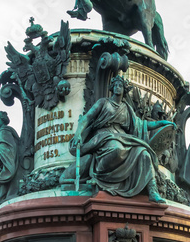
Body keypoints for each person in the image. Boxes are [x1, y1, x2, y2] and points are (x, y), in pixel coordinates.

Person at [69, 74, 173, 203]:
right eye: (116, 85)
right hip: (104, 135)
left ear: (124, 90)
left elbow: (142, 124)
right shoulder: (103, 102)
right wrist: (78, 134)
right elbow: (87, 118)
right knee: (116, 149)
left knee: (144, 153)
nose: (118, 88)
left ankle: (153, 191)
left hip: (123, 137)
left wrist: (160, 123)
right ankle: (98, 175)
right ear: (112, 88)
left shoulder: (126, 108)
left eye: (121, 86)